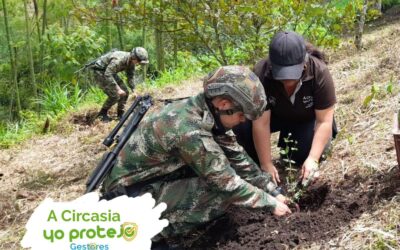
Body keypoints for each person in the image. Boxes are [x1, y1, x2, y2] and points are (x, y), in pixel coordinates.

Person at [100, 66, 292, 245]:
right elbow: (225, 183)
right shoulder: (189, 129)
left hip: (151, 181)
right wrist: (269, 204)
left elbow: (239, 159)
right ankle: (151, 233)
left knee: (233, 182)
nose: (242, 122)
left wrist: (272, 191)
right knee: (221, 195)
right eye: (242, 116)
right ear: (224, 104)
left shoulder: (205, 111)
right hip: (130, 199)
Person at [233, 31, 337, 186]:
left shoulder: (319, 71)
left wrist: (313, 159)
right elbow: (260, 123)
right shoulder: (261, 72)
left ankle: (296, 143)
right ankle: (254, 166)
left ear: (304, 62)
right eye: (281, 74)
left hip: (306, 119)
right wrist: (266, 163)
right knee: (241, 125)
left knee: (300, 155)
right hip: (276, 116)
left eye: (292, 73)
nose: (287, 80)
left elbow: (324, 121)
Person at [91, 47, 149, 122]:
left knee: (125, 92)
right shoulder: (118, 60)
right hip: (100, 72)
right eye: (138, 61)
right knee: (115, 95)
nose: (138, 63)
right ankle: (102, 114)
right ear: (134, 57)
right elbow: (108, 74)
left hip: (110, 72)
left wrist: (133, 89)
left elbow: (130, 76)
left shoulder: (132, 62)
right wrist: (118, 89)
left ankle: (120, 114)